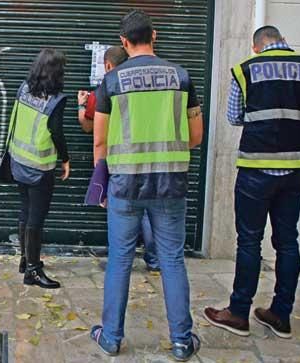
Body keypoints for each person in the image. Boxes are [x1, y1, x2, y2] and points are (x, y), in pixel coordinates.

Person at [203, 26, 300, 339]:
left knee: (249, 240)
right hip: (294, 170)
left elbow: (234, 117)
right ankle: (280, 314)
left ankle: (238, 313)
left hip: (255, 170)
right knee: (288, 240)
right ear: (283, 42)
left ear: (257, 46)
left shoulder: (245, 70)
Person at [89, 10, 203, 361]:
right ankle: (182, 341)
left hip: (125, 187)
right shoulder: (181, 77)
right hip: (170, 184)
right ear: (154, 35)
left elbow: (100, 142)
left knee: (120, 260)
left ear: (123, 42)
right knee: (171, 259)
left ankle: (110, 338)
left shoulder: (111, 82)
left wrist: (102, 185)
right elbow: (195, 137)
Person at [77, 46, 160, 273]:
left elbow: (89, 128)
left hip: (118, 162)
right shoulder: (144, 86)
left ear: (107, 66)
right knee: (145, 211)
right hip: (148, 158)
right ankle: (154, 260)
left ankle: (120, 261)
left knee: (121, 212)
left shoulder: (106, 89)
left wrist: (81, 105)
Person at [9, 48, 71, 289]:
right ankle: (33, 271)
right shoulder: (55, 101)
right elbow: (57, 133)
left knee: (25, 210)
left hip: (18, 160)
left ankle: (26, 259)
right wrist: (65, 159)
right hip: (38, 168)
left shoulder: (24, 88)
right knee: (36, 217)